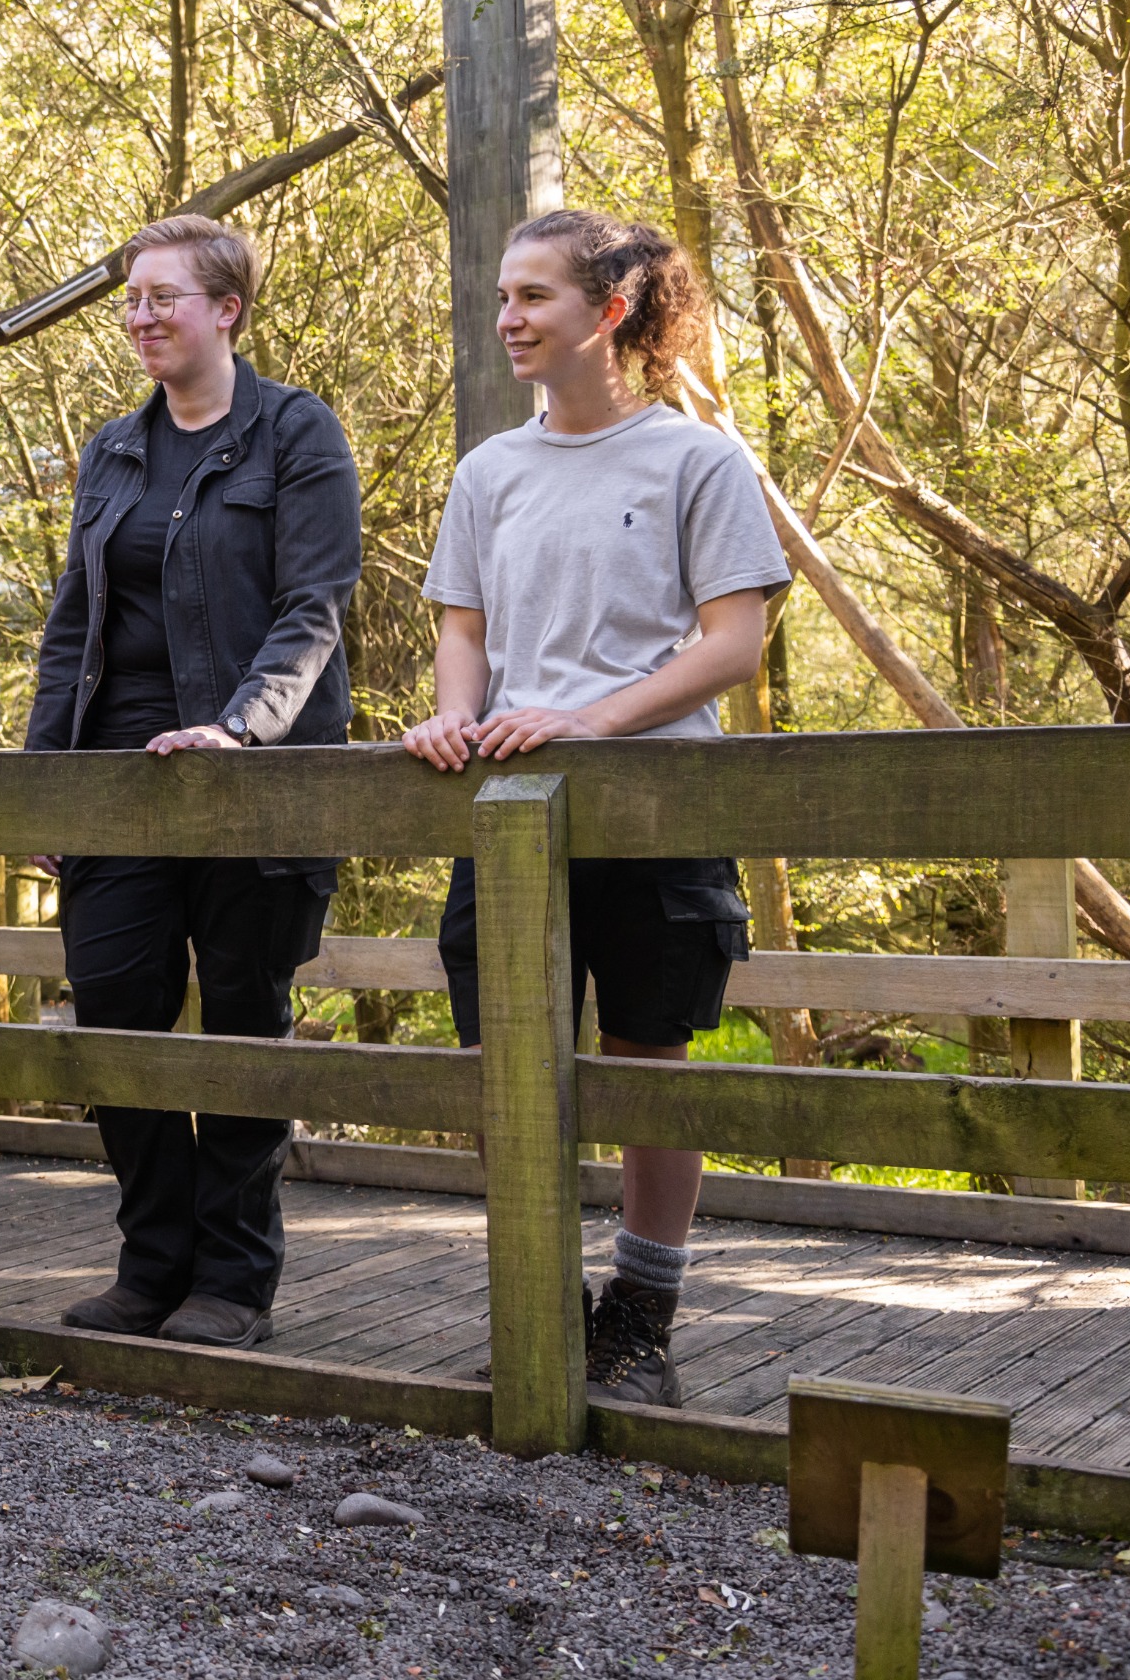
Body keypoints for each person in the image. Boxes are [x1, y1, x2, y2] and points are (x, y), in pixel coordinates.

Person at [403, 208, 788, 1408]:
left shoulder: (698, 460)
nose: (507, 317)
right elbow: (462, 630)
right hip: (507, 802)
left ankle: (640, 1318)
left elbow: (736, 641)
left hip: (655, 796)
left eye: (533, 297)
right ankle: (544, 1301)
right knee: (501, 1058)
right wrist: (453, 716)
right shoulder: (490, 469)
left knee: (647, 1059)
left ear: (609, 309)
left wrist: (595, 717)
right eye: (503, 296)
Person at [23, 214, 363, 1348]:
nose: (141, 314)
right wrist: (44, 787)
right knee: (115, 1007)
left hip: (254, 781)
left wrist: (240, 731)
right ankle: (151, 1258)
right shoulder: (112, 449)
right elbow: (73, 625)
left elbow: (311, 606)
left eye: (164, 295)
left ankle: (232, 1277)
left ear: (227, 308)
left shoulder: (296, 434)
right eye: (132, 297)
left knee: (241, 1020)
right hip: (117, 778)